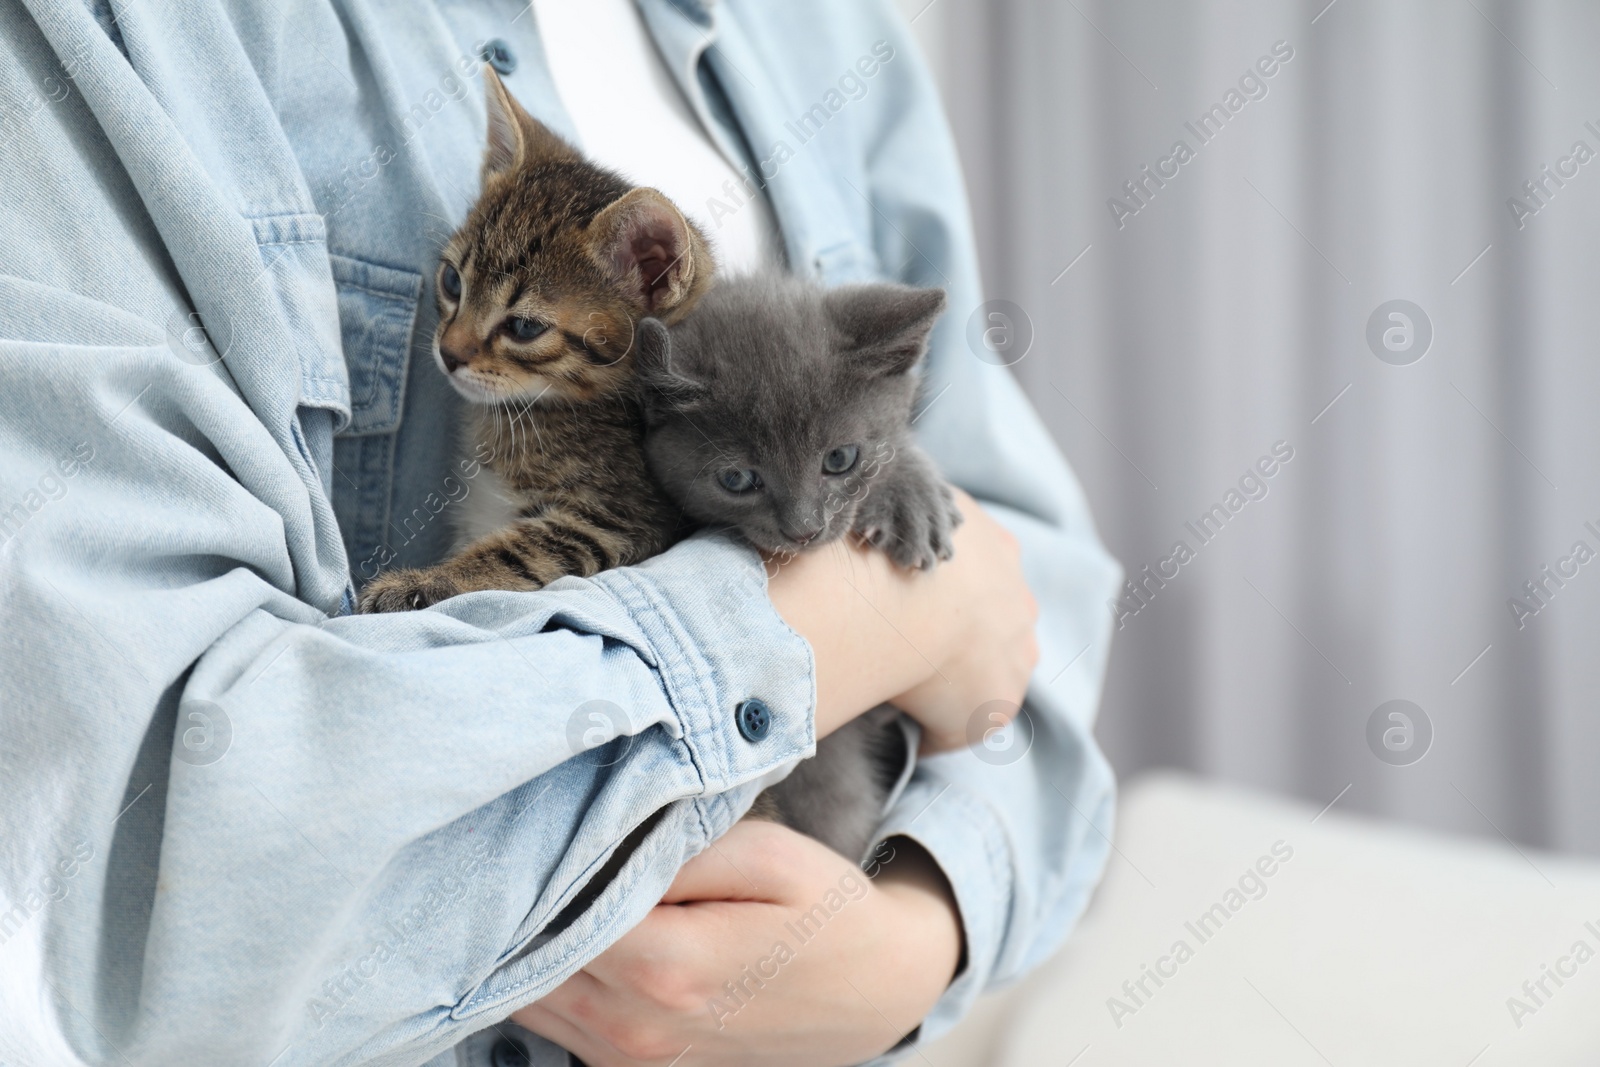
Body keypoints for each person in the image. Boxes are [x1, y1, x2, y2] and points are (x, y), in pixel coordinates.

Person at [0, 0, 1121, 1063]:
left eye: (514, 327)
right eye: (452, 294)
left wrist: (920, 926)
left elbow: (1032, 591)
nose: (457, 350)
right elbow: (136, 854)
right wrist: (869, 617)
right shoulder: (121, 40)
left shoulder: (819, 28)